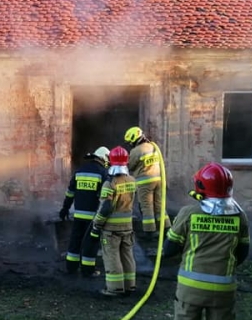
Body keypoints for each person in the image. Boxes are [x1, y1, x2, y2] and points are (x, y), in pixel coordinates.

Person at [163, 162, 250, 320]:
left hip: (190, 289)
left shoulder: (189, 213)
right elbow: (242, 253)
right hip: (224, 289)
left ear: (201, 187)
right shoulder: (239, 216)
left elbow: (170, 248)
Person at [90, 146, 136, 296]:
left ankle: (115, 288)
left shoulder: (109, 184)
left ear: (110, 162)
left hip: (111, 229)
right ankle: (130, 285)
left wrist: (96, 225)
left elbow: (105, 207)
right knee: (127, 255)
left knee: (112, 256)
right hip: (128, 227)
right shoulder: (132, 181)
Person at [58, 146, 110, 276]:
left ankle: (71, 267)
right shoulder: (102, 173)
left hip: (78, 215)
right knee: (90, 243)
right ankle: (87, 271)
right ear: (103, 158)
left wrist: (65, 209)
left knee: (75, 240)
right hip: (93, 217)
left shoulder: (79, 171)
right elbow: (104, 197)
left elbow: (70, 193)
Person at [124, 126, 170, 243]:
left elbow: (130, 166)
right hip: (159, 180)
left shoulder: (136, 151)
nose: (129, 144)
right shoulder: (153, 147)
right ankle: (166, 230)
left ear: (134, 139)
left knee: (147, 207)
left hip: (144, 182)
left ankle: (149, 233)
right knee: (160, 206)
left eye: (130, 142)